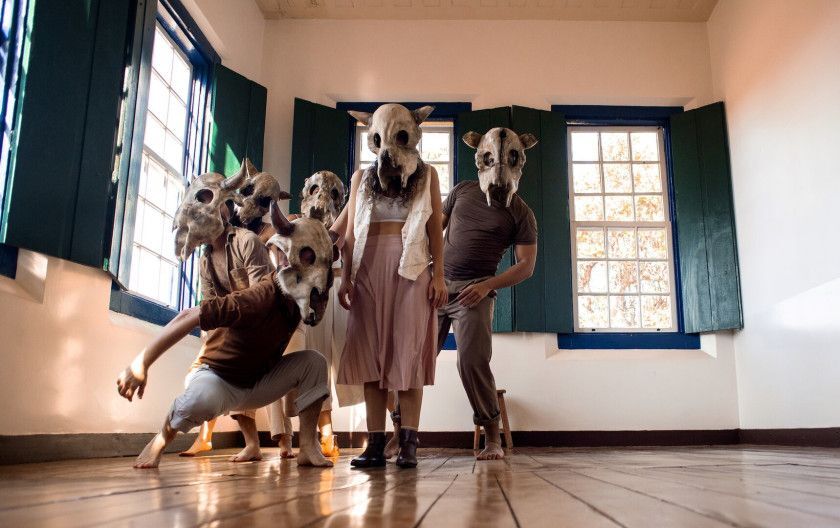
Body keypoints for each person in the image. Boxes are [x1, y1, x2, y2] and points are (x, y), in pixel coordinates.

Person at [117, 200, 336, 469]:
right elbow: (189, 315)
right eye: (308, 257)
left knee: (314, 363)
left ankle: (308, 447)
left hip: (256, 382)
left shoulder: (295, 304)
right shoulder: (261, 297)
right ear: (284, 254)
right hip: (218, 378)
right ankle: (161, 439)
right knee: (203, 399)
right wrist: (141, 364)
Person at [337, 104, 447, 469]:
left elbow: (435, 231)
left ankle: (409, 444)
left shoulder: (428, 175)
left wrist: (441, 276)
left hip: (413, 268)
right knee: (372, 357)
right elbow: (350, 234)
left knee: (408, 355)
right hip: (369, 268)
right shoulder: (359, 180)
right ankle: (374, 444)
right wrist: (346, 277)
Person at [438, 127, 539, 460]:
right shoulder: (461, 191)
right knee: (412, 358)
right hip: (436, 288)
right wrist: (429, 274)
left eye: (508, 158)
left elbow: (526, 266)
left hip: (475, 293)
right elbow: (431, 231)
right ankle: (400, 433)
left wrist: (486, 286)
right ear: (479, 158)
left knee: (472, 361)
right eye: (490, 158)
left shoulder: (521, 212)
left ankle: (492, 436)